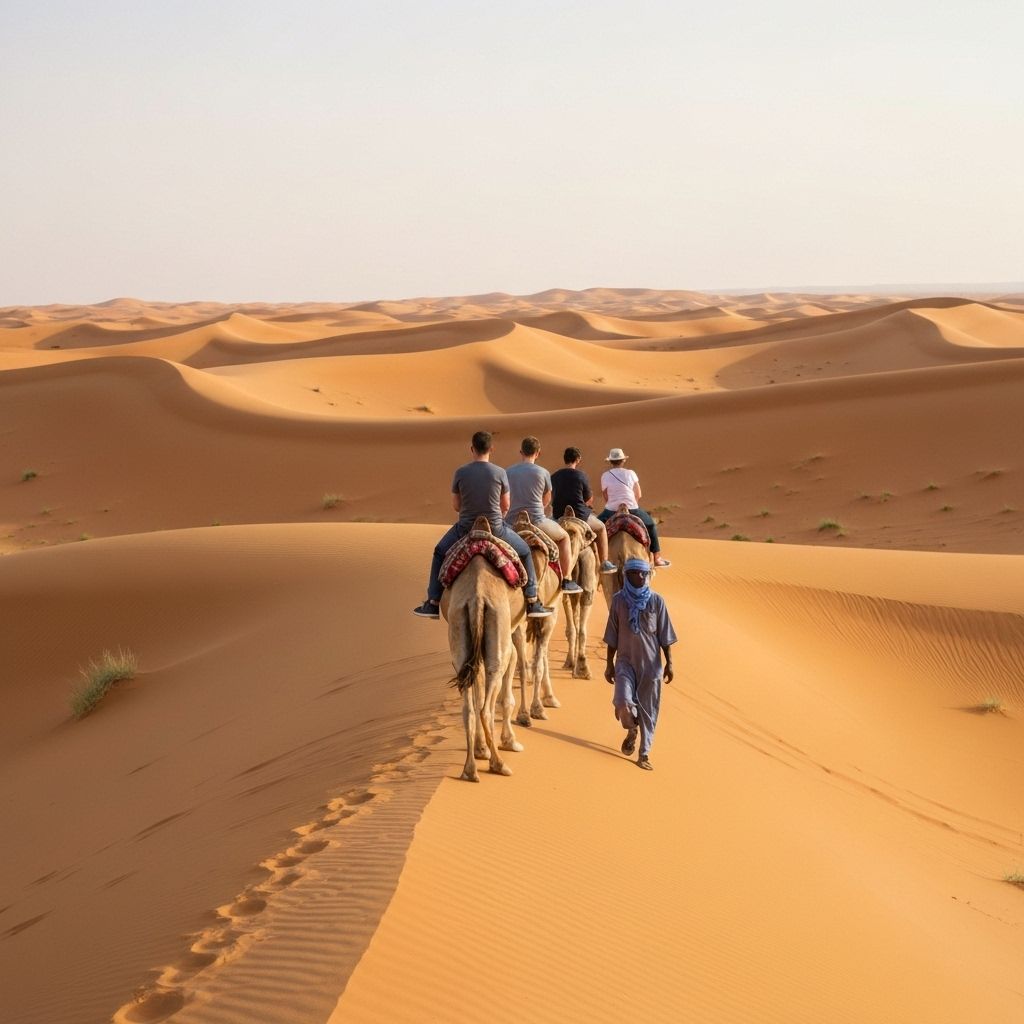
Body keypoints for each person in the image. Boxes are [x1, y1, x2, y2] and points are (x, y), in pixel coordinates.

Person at [413, 431, 553, 620]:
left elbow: (456, 505)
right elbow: (506, 506)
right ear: (491, 449)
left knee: (439, 552)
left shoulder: (461, 472)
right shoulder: (500, 472)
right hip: (496, 528)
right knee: (525, 551)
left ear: (472, 449)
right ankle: (532, 600)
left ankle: (433, 603)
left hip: (465, 528)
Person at [603, 558, 677, 770]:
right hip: (625, 663)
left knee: (649, 711)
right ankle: (632, 728)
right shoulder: (618, 601)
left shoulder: (656, 601)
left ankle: (644, 753)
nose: (641, 577)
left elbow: (665, 635)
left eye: (644, 573)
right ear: (627, 575)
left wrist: (669, 663)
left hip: (651, 666)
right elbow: (612, 636)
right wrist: (609, 664)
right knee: (622, 701)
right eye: (636, 573)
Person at [506, 436, 583, 594]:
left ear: (521, 452)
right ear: (538, 453)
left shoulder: (508, 472)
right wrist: (540, 507)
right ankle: (566, 579)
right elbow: (547, 497)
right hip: (537, 520)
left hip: (511, 522)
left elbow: (505, 498)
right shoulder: (543, 472)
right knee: (564, 538)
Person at [598, 447, 671, 568]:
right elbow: (639, 494)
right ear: (623, 461)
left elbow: (605, 495)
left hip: (611, 510)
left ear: (610, 462)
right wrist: (631, 506)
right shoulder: (631, 473)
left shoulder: (605, 476)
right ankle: (657, 557)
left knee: (595, 529)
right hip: (632, 508)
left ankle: (597, 560)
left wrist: (614, 504)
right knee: (651, 525)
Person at [549, 447, 617, 575]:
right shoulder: (581, 476)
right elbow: (588, 498)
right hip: (580, 516)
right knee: (601, 528)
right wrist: (588, 504)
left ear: (565, 459)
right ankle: (604, 562)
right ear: (578, 460)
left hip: (559, 516)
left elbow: (553, 496)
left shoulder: (554, 476)